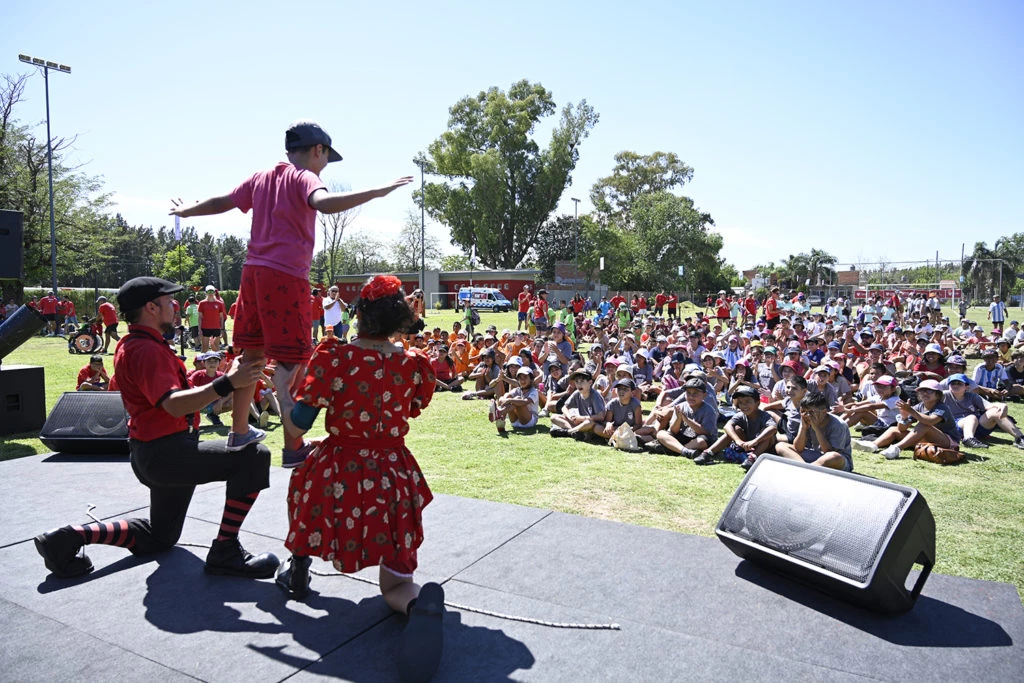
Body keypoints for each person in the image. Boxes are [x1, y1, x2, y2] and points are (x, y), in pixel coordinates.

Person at [169, 120, 412, 454]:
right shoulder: (304, 177)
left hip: (252, 274)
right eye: (326, 158)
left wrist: (187, 211)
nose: (324, 166)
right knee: (293, 360)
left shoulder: (260, 178)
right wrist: (377, 191)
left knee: (251, 355)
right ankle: (292, 446)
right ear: (318, 150)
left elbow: (221, 201)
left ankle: (239, 432)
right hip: (286, 277)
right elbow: (323, 203)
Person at [35, 276, 276, 580]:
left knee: (161, 537)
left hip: (154, 452)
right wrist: (228, 382)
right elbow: (173, 405)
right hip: (168, 454)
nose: (175, 307)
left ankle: (68, 537)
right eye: (168, 302)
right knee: (254, 456)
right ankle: (225, 551)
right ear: (151, 307)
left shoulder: (136, 345)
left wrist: (228, 379)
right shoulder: (146, 350)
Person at [274, 274, 444, 681]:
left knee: (304, 490)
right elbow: (405, 409)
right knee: (396, 584)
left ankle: (298, 570)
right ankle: (414, 604)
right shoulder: (413, 363)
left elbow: (297, 427)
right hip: (393, 470)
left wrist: (281, 391)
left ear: (361, 316)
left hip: (341, 467)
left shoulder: (335, 356)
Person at [858, 379, 960, 459]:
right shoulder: (919, 406)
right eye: (921, 391)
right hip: (927, 440)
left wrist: (910, 410)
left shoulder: (942, 407)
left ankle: (897, 449)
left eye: (929, 391)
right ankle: (873, 445)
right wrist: (904, 416)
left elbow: (930, 421)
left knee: (923, 425)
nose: (925, 393)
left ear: (938, 394)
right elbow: (901, 429)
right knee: (893, 429)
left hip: (948, 443)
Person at [693, 386, 777, 468]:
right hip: (746, 445)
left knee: (769, 435)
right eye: (741, 402)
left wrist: (755, 441)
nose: (744, 405)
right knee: (734, 429)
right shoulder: (741, 415)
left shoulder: (764, 416)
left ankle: (752, 458)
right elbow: (727, 426)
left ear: (757, 403)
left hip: (762, 446)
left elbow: (773, 428)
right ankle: (708, 453)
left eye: (747, 401)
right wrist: (738, 441)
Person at [775, 391, 853, 471]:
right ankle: (805, 469)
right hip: (816, 457)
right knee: (780, 446)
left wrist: (816, 428)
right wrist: (803, 427)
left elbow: (828, 451)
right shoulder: (805, 419)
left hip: (838, 461)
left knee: (833, 456)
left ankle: (807, 470)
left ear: (824, 412)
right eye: (804, 411)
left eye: (811, 412)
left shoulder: (839, 425)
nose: (807, 415)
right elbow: (798, 448)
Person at [490, 366, 540, 434]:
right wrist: (503, 399)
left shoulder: (534, 391)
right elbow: (503, 399)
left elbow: (526, 402)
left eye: (525, 377)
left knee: (517, 399)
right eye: (520, 378)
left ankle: (500, 413)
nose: (522, 380)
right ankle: (501, 421)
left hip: (528, 422)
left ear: (531, 379)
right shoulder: (517, 390)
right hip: (515, 422)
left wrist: (510, 400)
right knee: (507, 396)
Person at [197, 285, 226, 353]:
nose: (210, 293)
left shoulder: (219, 303)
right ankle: (203, 360)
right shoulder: (202, 303)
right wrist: (199, 329)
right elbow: (200, 317)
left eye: (212, 291)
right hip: (205, 328)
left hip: (216, 328)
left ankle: (217, 360)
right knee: (204, 348)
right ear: (206, 293)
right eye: (209, 291)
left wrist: (222, 329)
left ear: (214, 292)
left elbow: (221, 317)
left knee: (216, 348)